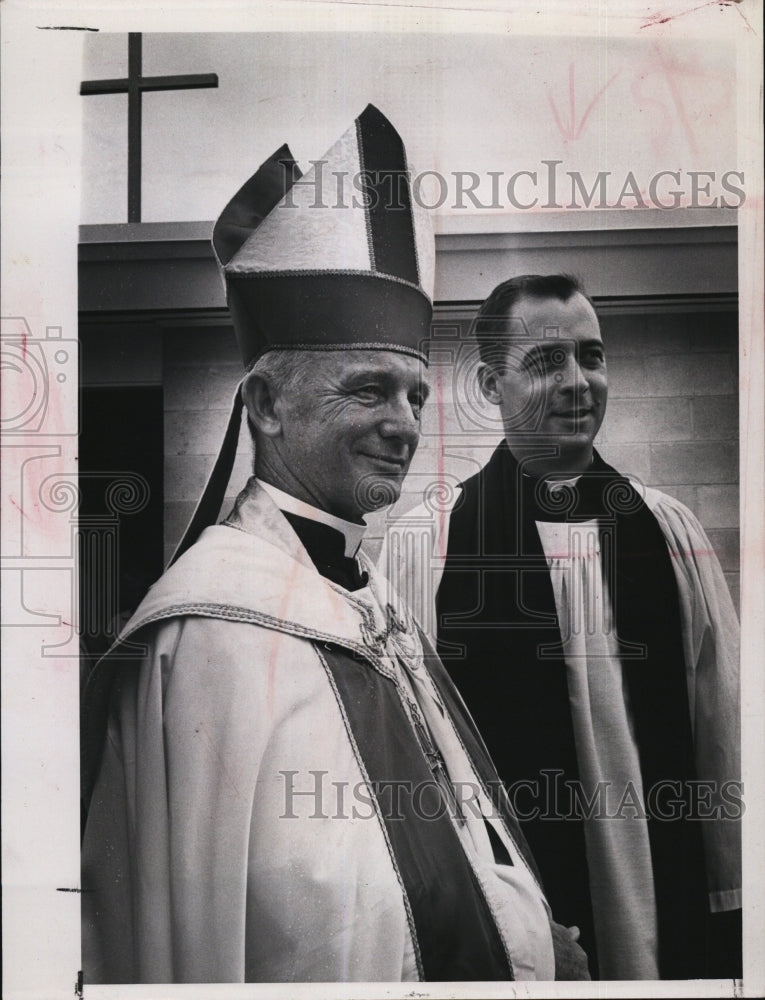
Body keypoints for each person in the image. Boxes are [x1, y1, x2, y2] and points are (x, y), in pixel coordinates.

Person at [81, 111, 589, 984]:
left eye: (416, 397)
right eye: (367, 390)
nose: (402, 425)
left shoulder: (368, 598)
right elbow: (190, 931)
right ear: (267, 404)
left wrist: (534, 940)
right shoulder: (207, 634)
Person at [379, 274, 742, 980]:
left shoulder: (668, 532)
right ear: (491, 384)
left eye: (591, 356)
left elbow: (719, 726)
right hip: (509, 915)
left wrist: (731, 901)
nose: (578, 382)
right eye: (546, 362)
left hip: (659, 900)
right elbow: (414, 755)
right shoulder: (429, 542)